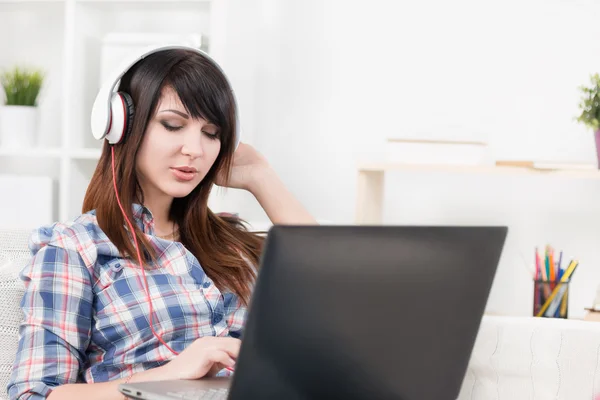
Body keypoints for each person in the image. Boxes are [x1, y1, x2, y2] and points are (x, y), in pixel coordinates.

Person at [7, 47, 316, 400]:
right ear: (121, 124)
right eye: (173, 125)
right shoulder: (75, 248)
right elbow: (32, 395)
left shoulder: (232, 244)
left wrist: (261, 177)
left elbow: (336, 289)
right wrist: (170, 374)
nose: (195, 149)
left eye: (212, 133)